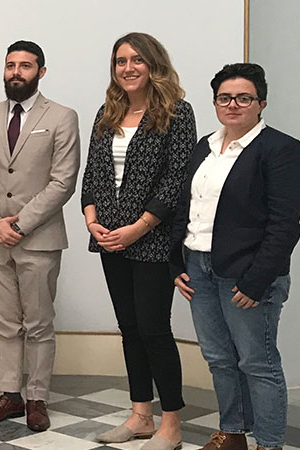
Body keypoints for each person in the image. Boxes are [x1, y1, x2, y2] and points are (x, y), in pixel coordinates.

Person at [172, 63, 300, 450]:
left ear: (261, 103)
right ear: (215, 102)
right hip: (199, 268)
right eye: (225, 97)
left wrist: (257, 281)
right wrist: (176, 263)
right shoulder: (205, 146)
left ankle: (268, 442)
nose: (233, 104)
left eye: (244, 98)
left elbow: (284, 225)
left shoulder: (280, 148)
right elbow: (186, 207)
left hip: (247, 275)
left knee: (257, 362)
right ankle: (232, 434)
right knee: (218, 358)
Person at [80, 33, 195, 450]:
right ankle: (141, 415)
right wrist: (92, 220)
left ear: (153, 64)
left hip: (152, 239)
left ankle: (171, 423)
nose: (127, 68)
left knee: (153, 329)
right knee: (129, 328)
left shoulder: (177, 113)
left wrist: (140, 227)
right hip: (109, 238)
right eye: (120, 61)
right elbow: (92, 173)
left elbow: (177, 178)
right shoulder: (107, 112)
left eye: (136, 60)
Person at [0, 41, 79, 432]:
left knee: (39, 324)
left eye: (25, 66)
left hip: (39, 239)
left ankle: (37, 398)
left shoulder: (62, 117)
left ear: (40, 72)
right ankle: (10, 395)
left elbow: (63, 182)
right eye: (10, 65)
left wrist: (20, 224)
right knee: (5, 323)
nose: (16, 72)